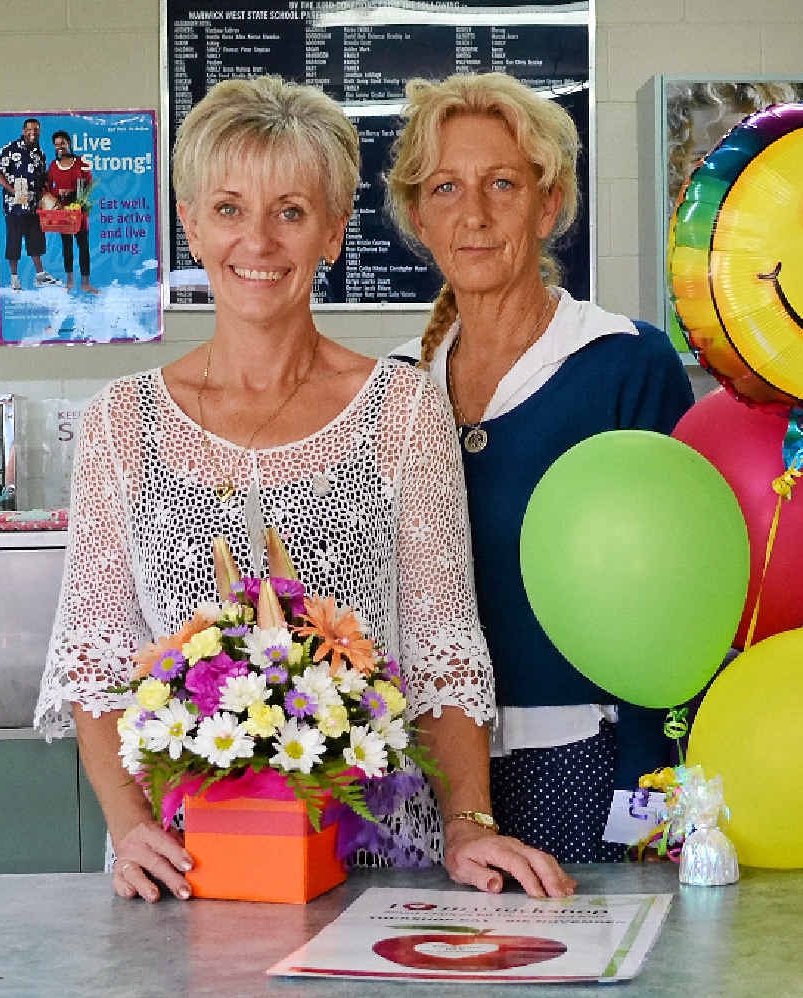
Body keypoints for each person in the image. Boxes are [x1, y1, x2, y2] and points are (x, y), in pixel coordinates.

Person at [34, 75, 572, 903]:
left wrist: (469, 824)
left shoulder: (401, 409)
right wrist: (131, 827)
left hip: (377, 865)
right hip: (184, 871)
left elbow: (443, 652)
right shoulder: (121, 422)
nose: (258, 240)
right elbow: (96, 664)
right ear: (190, 226)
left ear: (331, 232)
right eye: (229, 209)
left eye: (289, 211)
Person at [387, 72, 695, 863]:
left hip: (584, 760)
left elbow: (676, 599)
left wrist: (649, 797)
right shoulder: (394, 386)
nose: (474, 214)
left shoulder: (623, 362)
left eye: (502, 184)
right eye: (445, 188)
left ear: (547, 205)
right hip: (423, 775)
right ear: (418, 217)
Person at [0, 117, 61, 291]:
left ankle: (40, 276)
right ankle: (14, 278)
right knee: (14, 240)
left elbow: (43, 180)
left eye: (36, 130)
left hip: (33, 206)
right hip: (14, 205)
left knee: (36, 240)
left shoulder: (40, 154)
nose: (33, 132)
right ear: (24, 131)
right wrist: (12, 190)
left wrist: (49, 198)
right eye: (30, 129)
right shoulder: (10, 149)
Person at [47, 129, 98, 294]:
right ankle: (69, 281)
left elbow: (89, 184)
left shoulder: (81, 162)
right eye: (56, 144)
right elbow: (48, 187)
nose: (60, 147)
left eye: (62, 143)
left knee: (83, 246)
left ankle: (85, 283)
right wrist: (58, 193)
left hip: (79, 211)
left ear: (69, 143)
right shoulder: (53, 166)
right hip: (63, 212)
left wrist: (74, 194)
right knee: (67, 245)